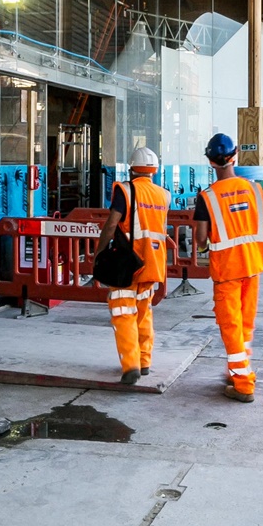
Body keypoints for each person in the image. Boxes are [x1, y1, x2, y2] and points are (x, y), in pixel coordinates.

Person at [193, 134, 263, 403]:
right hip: (253, 267)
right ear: (235, 157)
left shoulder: (207, 197)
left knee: (230, 325)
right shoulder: (254, 189)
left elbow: (200, 239)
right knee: (244, 325)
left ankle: (243, 384)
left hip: (227, 271)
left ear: (210, 161)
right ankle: (237, 372)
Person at [94, 146, 171, 385]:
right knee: (144, 312)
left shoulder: (126, 191)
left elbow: (111, 224)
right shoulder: (164, 194)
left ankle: (131, 366)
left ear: (131, 168)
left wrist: (99, 253)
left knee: (123, 312)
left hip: (127, 264)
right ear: (154, 171)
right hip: (153, 264)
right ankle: (145, 361)